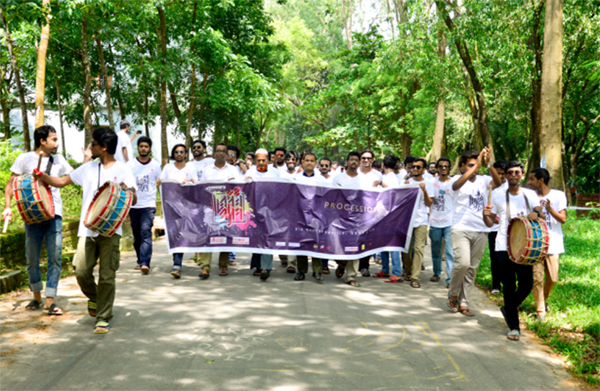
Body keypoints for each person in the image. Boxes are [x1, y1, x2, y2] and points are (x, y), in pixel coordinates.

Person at [37, 127, 137, 333]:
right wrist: (42, 177)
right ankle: (95, 298)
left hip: (111, 231)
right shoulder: (88, 168)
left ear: (105, 147)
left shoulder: (123, 169)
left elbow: (133, 197)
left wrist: (127, 191)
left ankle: (103, 317)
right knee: (81, 271)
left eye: (94, 144)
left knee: (107, 276)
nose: (91, 147)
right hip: (87, 229)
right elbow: (63, 181)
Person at [2, 125, 73, 315]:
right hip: (31, 216)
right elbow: (11, 183)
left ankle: (50, 299)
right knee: (32, 258)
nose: (57, 143)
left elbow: (71, 177)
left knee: (55, 256)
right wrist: (7, 206)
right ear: (43, 141)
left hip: (54, 214)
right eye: (54, 139)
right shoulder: (25, 159)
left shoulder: (59, 160)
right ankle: (36, 296)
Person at [484, 161, 543, 341]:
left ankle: (509, 308)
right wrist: (485, 215)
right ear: (506, 175)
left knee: (526, 284)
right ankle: (514, 327)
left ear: (522, 175)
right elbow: (489, 222)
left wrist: (536, 214)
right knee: (509, 287)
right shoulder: (497, 194)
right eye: (510, 172)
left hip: (523, 246)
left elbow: (540, 210)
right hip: (503, 246)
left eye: (517, 172)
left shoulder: (530, 194)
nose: (513, 175)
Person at [446, 147, 501, 316]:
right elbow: (456, 186)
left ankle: (464, 301)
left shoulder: (484, 180)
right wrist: (474, 166)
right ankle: (453, 293)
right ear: (462, 166)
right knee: (462, 263)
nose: (474, 168)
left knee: (472, 268)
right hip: (460, 227)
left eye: (476, 165)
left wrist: (488, 163)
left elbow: (498, 183)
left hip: (481, 229)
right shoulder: (455, 179)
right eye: (470, 165)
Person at [527, 168, 567, 322]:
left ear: (541, 180)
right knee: (536, 278)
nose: (530, 183)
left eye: (532, 179)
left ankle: (543, 301)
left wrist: (549, 209)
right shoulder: (530, 197)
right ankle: (540, 311)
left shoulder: (558, 195)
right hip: (535, 244)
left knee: (553, 278)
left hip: (553, 243)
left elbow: (563, 219)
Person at [198, 143, 241, 279]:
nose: (221, 153)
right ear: (215, 153)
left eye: (224, 151)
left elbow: (238, 189)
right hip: (210, 209)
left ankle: (223, 265)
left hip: (227, 209)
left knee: (225, 236)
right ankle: (205, 267)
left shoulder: (233, 170)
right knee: (207, 237)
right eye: (218, 151)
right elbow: (201, 188)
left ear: (227, 154)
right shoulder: (207, 170)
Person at [157, 144, 198, 278]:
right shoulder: (168, 168)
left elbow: (195, 185)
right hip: (171, 206)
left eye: (181, 151)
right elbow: (161, 183)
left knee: (181, 232)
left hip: (185, 206)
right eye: (176, 152)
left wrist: (191, 182)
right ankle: (176, 261)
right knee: (174, 233)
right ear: (173, 154)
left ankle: (177, 264)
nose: (179, 154)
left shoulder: (191, 168)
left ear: (186, 154)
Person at [245, 149, 281, 280]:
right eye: (258, 160)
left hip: (269, 210)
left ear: (268, 160)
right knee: (257, 237)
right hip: (253, 210)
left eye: (263, 160)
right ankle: (258, 266)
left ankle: (266, 267)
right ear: (255, 160)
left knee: (267, 238)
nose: (261, 162)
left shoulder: (275, 173)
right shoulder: (249, 172)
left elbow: (281, 190)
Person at [292, 152, 327, 283]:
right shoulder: (296, 179)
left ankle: (317, 271)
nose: (309, 163)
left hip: (316, 216)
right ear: (302, 162)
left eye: (312, 161)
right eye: (307, 160)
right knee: (301, 243)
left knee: (316, 243)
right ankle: (301, 271)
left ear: (315, 163)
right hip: (300, 215)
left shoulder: (321, 180)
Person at [127, 136, 161, 275]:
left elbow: (159, 183)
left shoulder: (155, 165)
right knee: (137, 235)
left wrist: (163, 202)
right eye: (141, 146)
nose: (143, 148)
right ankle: (140, 259)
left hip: (149, 204)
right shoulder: (130, 165)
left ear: (150, 149)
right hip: (134, 205)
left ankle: (145, 262)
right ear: (138, 148)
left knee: (146, 231)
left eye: (146, 146)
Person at [331, 151, 363, 287]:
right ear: (347, 162)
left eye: (356, 160)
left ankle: (351, 276)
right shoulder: (338, 177)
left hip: (357, 218)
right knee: (338, 246)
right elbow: (331, 196)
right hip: (340, 217)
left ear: (359, 163)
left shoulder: (362, 180)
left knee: (354, 246)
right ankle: (341, 263)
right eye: (352, 160)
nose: (354, 162)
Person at [402, 157, 433, 288]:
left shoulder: (428, 183)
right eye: (413, 167)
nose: (414, 169)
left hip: (421, 219)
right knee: (406, 248)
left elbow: (429, 203)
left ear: (423, 169)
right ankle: (408, 270)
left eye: (418, 167)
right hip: (407, 219)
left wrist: (424, 190)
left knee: (419, 248)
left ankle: (415, 277)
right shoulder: (406, 182)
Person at [371, 154, 403, 282]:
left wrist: (381, 183)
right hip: (383, 214)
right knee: (382, 242)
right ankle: (385, 269)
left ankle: (397, 272)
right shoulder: (387, 176)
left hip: (391, 215)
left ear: (383, 165)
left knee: (392, 244)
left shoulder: (391, 178)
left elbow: (393, 191)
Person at [428, 158, 454, 287]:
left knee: (450, 252)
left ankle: (450, 279)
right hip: (434, 222)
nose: (444, 168)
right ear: (437, 168)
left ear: (450, 168)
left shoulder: (454, 182)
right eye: (441, 166)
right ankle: (437, 272)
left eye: (446, 166)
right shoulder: (431, 182)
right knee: (436, 250)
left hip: (450, 222)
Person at [356, 148, 383, 277]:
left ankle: (364, 266)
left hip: (371, 212)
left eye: (368, 158)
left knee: (366, 239)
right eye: (364, 158)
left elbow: (387, 192)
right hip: (355, 211)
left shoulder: (378, 175)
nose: (366, 160)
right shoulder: (354, 173)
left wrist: (382, 183)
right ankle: (351, 265)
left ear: (372, 160)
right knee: (354, 238)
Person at [188, 139, 214, 264]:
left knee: (206, 227)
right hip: (193, 200)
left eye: (198, 147)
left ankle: (204, 255)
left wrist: (241, 162)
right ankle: (197, 254)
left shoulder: (210, 162)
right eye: (194, 147)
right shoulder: (189, 164)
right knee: (196, 227)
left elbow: (226, 162)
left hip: (208, 201)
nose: (196, 149)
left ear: (204, 149)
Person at [489, 160, 508, 294]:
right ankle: (496, 284)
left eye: (502, 173)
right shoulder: (487, 185)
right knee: (494, 257)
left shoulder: (510, 188)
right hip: (492, 229)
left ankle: (507, 282)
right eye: (498, 173)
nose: (500, 176)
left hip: (508, 228)